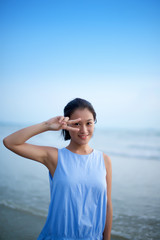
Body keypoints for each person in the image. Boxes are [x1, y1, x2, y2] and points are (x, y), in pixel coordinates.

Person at [3, 98, 113, 240]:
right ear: (67, 125)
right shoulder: (55, 157)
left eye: (89, 123)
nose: (84, 130)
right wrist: (47, 125)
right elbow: (10, 142)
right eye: (77, 124)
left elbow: (107, 205)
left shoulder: (104, 160)